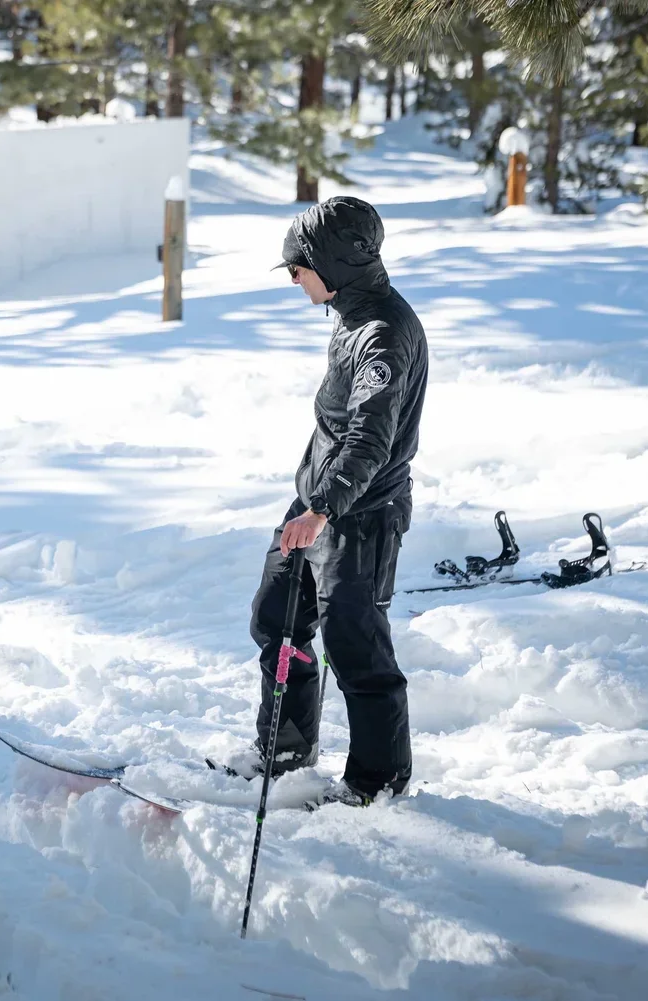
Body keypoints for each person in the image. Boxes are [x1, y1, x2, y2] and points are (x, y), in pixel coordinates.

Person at [228, 196, 428, 808]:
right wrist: (311, 503)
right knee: (279, 617)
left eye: (299, 265)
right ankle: (286, 750)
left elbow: (370, 438)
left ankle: (376, 783)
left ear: (335, 262)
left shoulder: (382, 335)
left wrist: (324, 510)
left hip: (357, 517)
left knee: (357, 648)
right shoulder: (348, 311)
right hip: (317, 502)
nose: (293, 278)